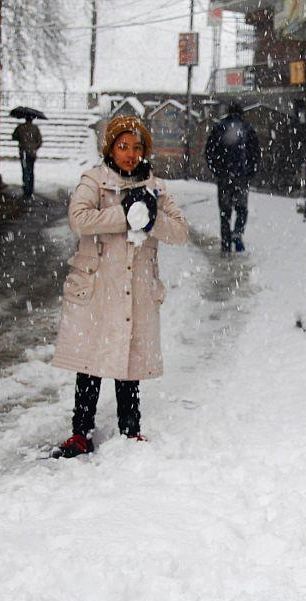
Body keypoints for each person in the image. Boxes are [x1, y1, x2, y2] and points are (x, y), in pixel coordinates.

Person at [50, 115, 189, 458]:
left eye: (137, 147)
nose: (130, 154)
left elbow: (181, 232)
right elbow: (78, 219)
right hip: (98, 285)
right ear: (110, 147)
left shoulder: (155, 187)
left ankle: (131, 427)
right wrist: (122, 215)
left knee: (130, 356)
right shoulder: (95, 181)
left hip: (137, 285)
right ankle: (81, 431)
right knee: (92, 358)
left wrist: (152, 218)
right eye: (123, 146)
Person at [205, 101, 260, 253]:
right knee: (242, 209)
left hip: (224, 177)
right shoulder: (247, 129)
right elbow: (255, 153)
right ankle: (238, 232)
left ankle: (226, 242)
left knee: (225, 212)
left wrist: (217, 169)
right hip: (241, 176)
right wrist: (250, 171)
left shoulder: (219, 128)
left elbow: (209, 152)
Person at [12, 117, 42, 197]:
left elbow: (14, 137)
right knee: (31, 170)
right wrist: (34, 147)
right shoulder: (35, 128)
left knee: (25, 170)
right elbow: (39, 141)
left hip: (23, 152)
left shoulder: (20, 127)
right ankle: (30, 190)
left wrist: (22, 140)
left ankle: (26, 188)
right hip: (31, 153)